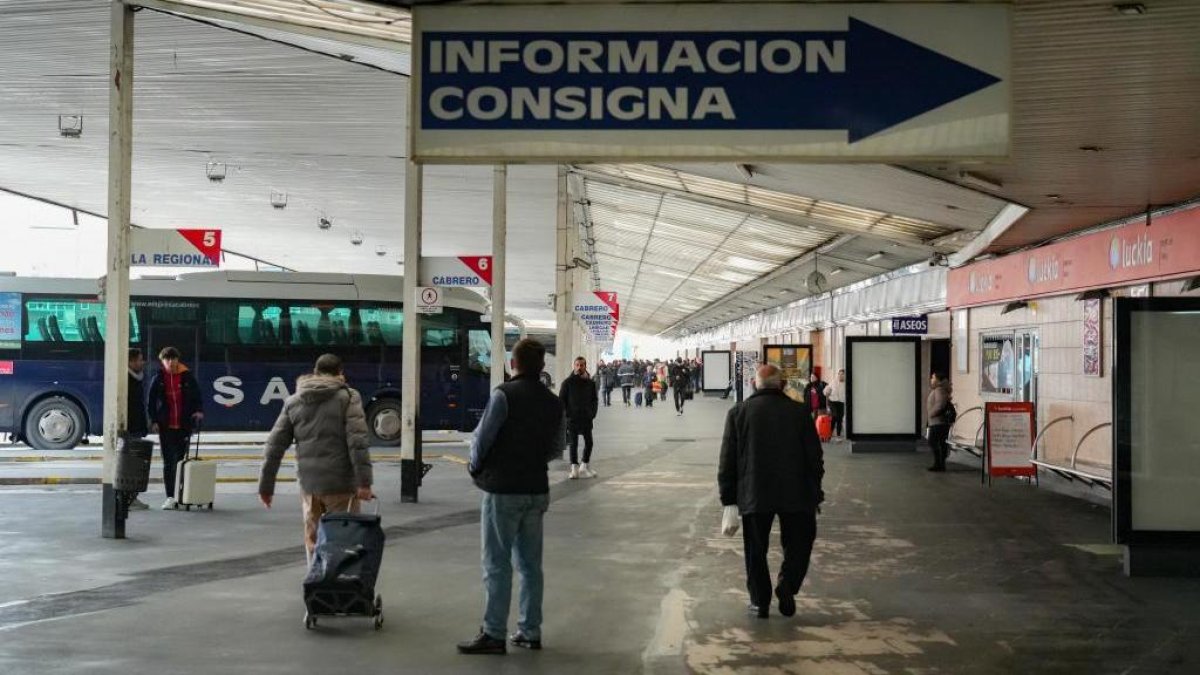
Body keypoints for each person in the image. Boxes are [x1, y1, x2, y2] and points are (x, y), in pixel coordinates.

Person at [459, 339, 565, 655]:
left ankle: (493, 633)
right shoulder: (554, 402)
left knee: (497, 563)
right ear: (542, 366)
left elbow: (483, 439)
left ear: (513, 364)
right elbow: (557, 448)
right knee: (531, 565)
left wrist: (474, 466)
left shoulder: (503, 395)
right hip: (536, 489)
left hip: (503, 491)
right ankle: (530, 631)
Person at [718, 364, 824, 619]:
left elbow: (727, 460)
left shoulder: (738, 413)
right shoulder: (800, 413)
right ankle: (787, 584)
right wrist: (815, 491)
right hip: (796, 492)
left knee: (756, 548)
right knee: (799, 543)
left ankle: (760, 601)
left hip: (755, 491)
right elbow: (815, 457)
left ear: (754, 384)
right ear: (783, 386)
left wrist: (729, 499)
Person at [258, 353, 374, 560]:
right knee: (343, 541)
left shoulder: (294, 401)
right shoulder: (348, 397)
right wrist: (364, 483)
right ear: (341, 374)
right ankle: (339, 588)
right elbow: (357, 442)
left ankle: (315, 584)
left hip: (309, 486)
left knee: (313, 542)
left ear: (315, 372)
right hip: (341, 486)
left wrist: (266, 487)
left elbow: (274, 446)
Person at [146, 346, 204, 510]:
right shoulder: (158, 378)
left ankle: (182, 494)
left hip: (184, 425)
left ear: (178, 360)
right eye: (167, 359)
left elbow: (197, 396)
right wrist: (154, 421)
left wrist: (199, 411)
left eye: (173, 359)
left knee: (180, 461)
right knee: (168, 462)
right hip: (166, 427)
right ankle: (170, 496)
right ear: (162, 361)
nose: (171, 362)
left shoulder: (187, 376)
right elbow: (150, 402)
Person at [559, 356, 599, 480]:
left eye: (582, 365)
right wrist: (566, 415)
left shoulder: (590, 383)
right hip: (572, 419)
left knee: (589, 443)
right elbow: (561, 400)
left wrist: (592, 414)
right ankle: (574, 468)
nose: (579, 367)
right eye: (577, 365)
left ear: (585, 366)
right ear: (574, 366)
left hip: (586, 418)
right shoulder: (567, 382)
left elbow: (594, 400)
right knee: (573, 444)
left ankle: (584, 465)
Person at [126, 348, 150, 511]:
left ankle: (131, 498)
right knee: (131, 465)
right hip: (131, 428)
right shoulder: (127, 380)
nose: (143, 362)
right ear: (131, 361)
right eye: (140, 359)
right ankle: (129, 499)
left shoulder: (136, 379)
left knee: (134, 465)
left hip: (137, 427)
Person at [927, 372, 954, 472]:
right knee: (941, 443)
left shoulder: (939, 390)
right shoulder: (940, 389)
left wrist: (931, 414)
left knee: (932, 441)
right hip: (939, 422)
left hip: (938, 422)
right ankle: (940, 465)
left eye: (933, 377)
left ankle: (938, 464)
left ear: (937, 379)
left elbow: (940, 404)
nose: (931, 379)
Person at [824, 369, 846, 441]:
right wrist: (826, 391)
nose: (840, 375)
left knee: (838, 418)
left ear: (845, 375)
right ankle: (830, 435)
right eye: (839, 374)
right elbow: (825, 391)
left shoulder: (846, 383)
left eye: (842, 374)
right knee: (836, 416)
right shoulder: (833, 382)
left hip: (841, 402)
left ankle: (836, 436)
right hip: (832, 401)